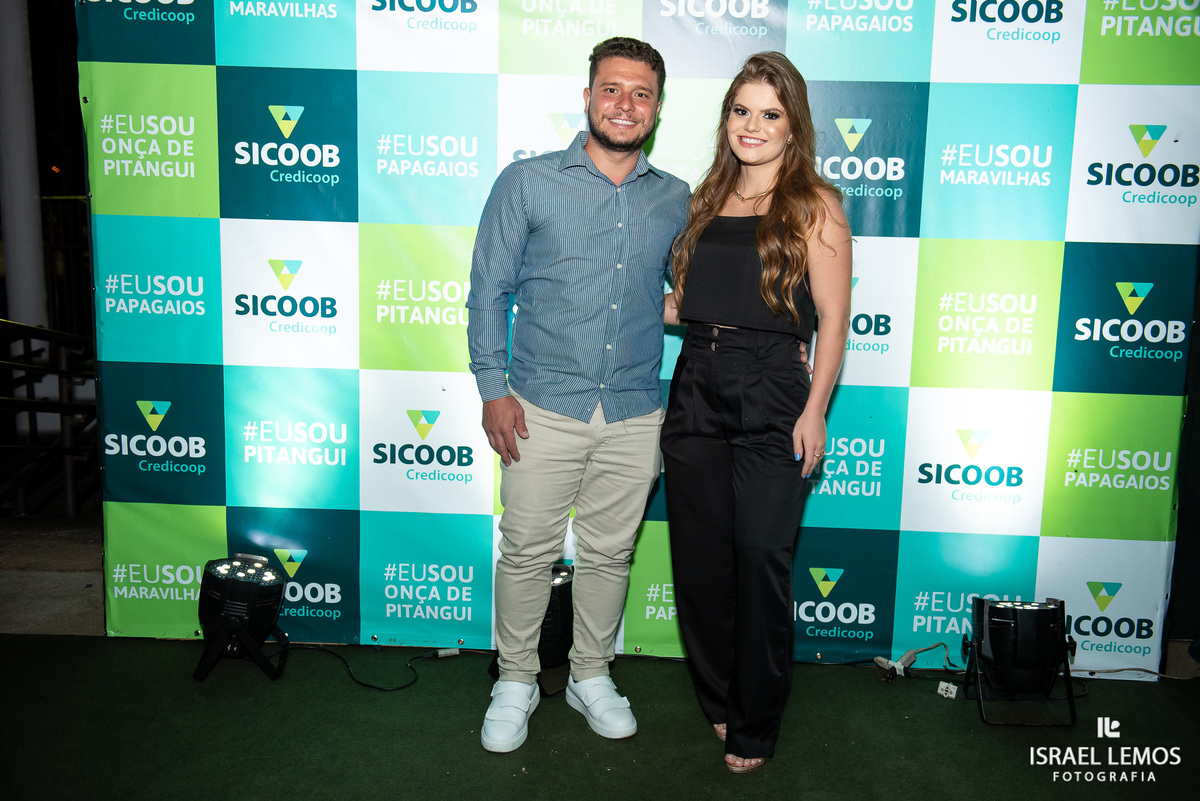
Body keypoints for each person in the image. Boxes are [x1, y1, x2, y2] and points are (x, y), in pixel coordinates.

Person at [466, 37, 690, 753]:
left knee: (610, 554)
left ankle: (591, 673)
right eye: (612, 89)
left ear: (657, 108)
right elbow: (488, 292)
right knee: (526, 551)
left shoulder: (675, 197)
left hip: (634, 410)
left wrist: (773, 326)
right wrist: (493, 388)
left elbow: (688, 293)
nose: (625, 104)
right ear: (588, 96)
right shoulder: (527, 182)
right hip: (540, 406)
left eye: (641, 93)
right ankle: (516, 679)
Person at [660, 51, 852, 773]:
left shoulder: (815, 204)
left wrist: (815, 408)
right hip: (696, 379)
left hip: (773, 384)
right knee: (700, 560)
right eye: (741, 110)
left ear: (793, 125)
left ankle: (755, 724)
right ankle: (719, 698)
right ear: (726, 119)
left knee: (763, 558)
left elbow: (832, 319)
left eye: (770, 113)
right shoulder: (705, 198)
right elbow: (690, 300)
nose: (753, 125)